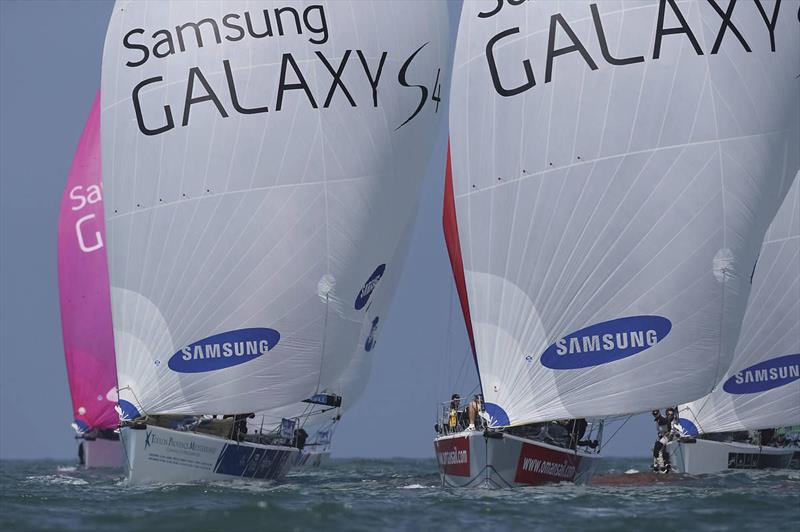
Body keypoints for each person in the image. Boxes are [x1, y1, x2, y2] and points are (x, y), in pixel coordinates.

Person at [652, 407, 677, 473]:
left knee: (659, 446)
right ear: (666, 414)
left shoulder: (676, 422)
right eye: (668, 414)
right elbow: (663, 421)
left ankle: (663, 465)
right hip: (665, 438)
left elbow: (674, 430)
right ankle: (657, 466)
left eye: (672, 415)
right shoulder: (664, 420)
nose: (670, 416)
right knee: (656, 447)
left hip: (673, 439)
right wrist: (658, 416)